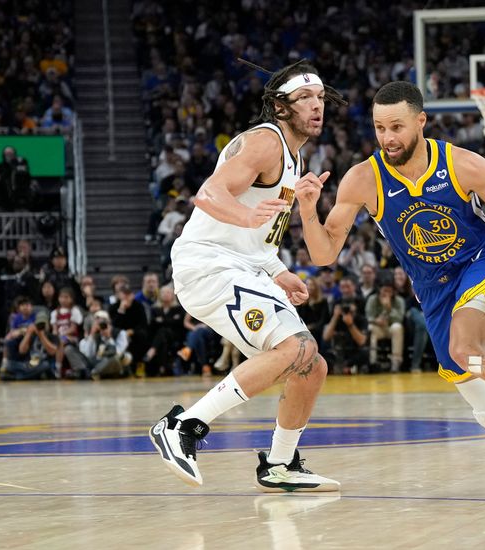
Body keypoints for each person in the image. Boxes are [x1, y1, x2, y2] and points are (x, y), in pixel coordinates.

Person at [295, 81, 485, 495]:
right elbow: (324, 254)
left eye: (397, 127)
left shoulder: (461, 165)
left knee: (465, 350)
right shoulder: (363, 179)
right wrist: (308, 211)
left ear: (420, 121)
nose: (388, 137)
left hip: (480, 266)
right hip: (432, 291)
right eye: (380, 128)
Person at [150, 59, 345, 492]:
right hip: (208, 264)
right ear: (280, 106)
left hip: (239, 265)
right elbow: (208, 194)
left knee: (310, 366)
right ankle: (184, 427)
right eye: (306, 99)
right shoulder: (264, 142)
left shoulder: (293, 158)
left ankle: (280, 463)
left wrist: (278, 270)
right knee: (295, 347)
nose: (317, 106)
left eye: (321, 98)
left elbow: (260, 238)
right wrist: (244, 214)